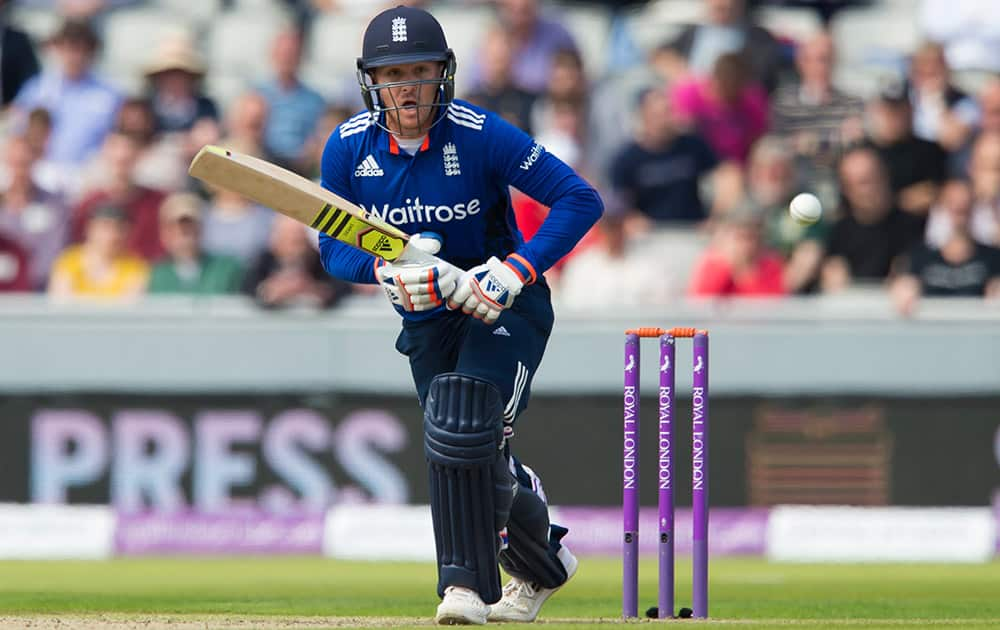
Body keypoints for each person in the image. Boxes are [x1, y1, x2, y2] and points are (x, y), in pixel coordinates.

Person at [318, 6, 602, 625]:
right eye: (393, 75)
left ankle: (465, 589)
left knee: (462, 422)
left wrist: (512, 270)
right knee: (465, 447)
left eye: (420, 72)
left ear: (443, 74)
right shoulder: (347, 147)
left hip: (505, 306)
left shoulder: (480, 133)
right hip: (425, 318)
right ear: (371, 80)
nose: (407, 88)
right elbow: (334, 247)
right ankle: (546, 563)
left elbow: (579, 199)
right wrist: (384, 271)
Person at [11, 20, 121, 167]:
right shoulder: (35, 89)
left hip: (89, 175)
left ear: (93, 51)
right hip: (39, 171)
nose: (75, 56)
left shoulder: (110, 96)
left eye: (82, 49)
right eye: (69, 47)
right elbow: (17, 134)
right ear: (57, 48)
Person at [821, 147, 924, 292]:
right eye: (859, 183)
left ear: (886, 176)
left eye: (871, 179)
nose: (868, 190)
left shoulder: (916, 227)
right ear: (845, 189)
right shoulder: (837, 234)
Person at [891, 179, 1000, 315]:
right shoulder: (920, 257)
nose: (960, 215)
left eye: (965, 208)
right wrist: (903, 289)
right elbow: (903, 286)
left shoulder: (993, 258)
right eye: (954, 207)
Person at [147, 193, 244, 296]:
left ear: (201, 228)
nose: (182, 233)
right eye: (173, 227)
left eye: (189, 226)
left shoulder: (226, 269)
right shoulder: (156, 274)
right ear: (164, 232)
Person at [48, 204, 148, 301]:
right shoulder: (69, 259)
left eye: (119, 228)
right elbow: (61, 303)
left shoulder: (135, 265)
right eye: (105, 226)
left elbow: (131, 306)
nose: (112, 234)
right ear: (90, 228)